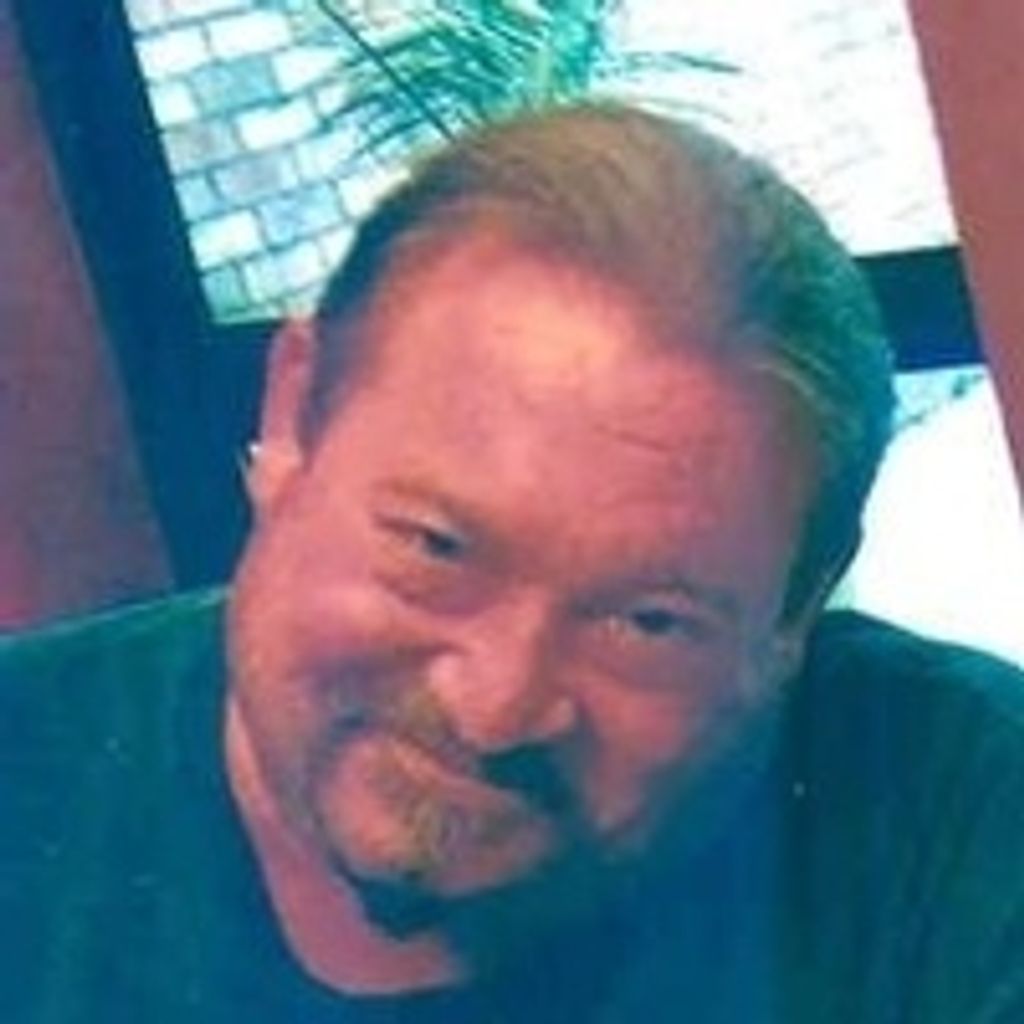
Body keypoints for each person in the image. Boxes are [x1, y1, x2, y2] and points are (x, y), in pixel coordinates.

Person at [3, 102, 1024, 1024]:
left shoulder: (960, 809)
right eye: (436, 547)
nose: (495, 708)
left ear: (795, 610)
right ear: (293, 417)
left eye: (648, 623)